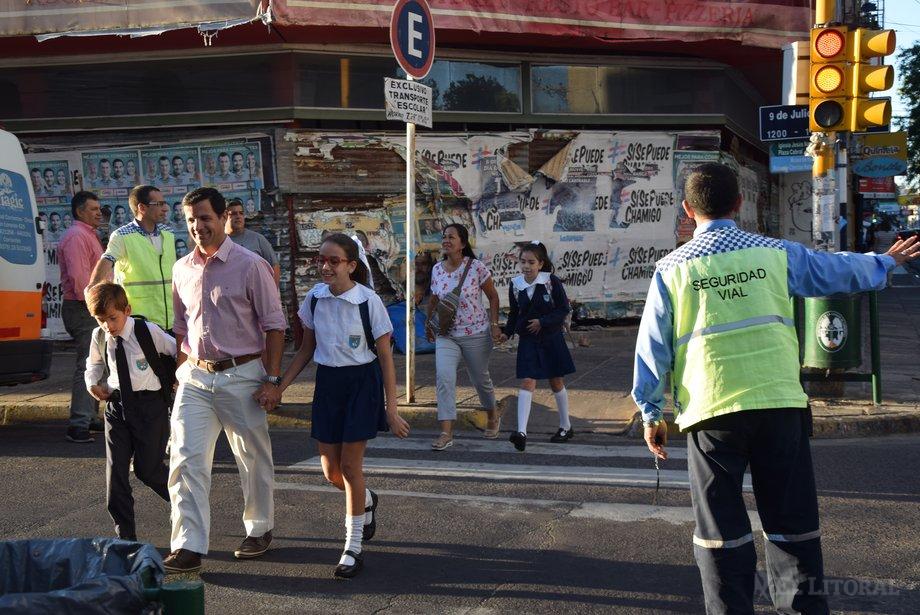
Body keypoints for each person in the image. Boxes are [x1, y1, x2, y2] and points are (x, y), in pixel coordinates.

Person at [632, 163, 920, 615]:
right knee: (792, 526)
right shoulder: (773, 253)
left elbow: (652, 349)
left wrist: (650, 413)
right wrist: (887, 262)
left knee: (720, 532)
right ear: (740, 204)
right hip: (779, 406)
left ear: (688, 211)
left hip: (712, 412)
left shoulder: (670, 271)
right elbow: (834, 272)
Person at [262, 234, 409, 578]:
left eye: (334, 261)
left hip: (361, 384)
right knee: (332, 473)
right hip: (328, 384)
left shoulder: (367, 301)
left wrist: (392, 407)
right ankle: (367, 499)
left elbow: (386, 356)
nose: (325, 267)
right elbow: (306, 349)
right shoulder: (314, 299)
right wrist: (279, 386)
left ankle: (352, 547)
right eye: (321, 260)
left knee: (351, 466)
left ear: (351, 266)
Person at [164, 187, 286, 574]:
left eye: (205, 218)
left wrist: (272, 379)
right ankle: (188, 545)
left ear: (221, 219)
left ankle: (259, 529)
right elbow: (181, 327)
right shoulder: (181, 268)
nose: (198, 226)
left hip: (243, 375)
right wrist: (178, 375)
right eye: (190, 220)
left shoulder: (251, 265)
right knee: (185, 461)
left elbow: (275, 325)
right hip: (195, 377)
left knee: (251, 458)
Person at [84, 282, 174, 541]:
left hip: (150, 407)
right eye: (102, 321)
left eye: (113, 318)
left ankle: (186, 506)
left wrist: (179, 378)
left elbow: (177, 349)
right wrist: (92, 383)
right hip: (117, 406)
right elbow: (94, 363)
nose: (108, 326)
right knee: (116, 477)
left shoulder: (147, 331)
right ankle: (125, 538)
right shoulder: (99, 336)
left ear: (127, 310)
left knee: (149, 470)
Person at [424, 223, 503, 451]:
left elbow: (493, 297)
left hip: (476, 333)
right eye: (444, 237)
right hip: (447, 335)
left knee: (480, 380)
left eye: (451, 237)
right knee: (444, 378)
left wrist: (495, 325)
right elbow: (434, 299)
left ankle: (492, 414)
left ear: (462, 243)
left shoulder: (476, 267)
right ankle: (446, 432)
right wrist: (430, 324)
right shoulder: (437, 269)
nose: (446, 240)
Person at [499, 241, 575, 451]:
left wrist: (543, 322)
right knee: (527, 380)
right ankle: (521, 432)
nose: (526, 266)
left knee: (556, 381)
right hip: (529, 340)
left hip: (551, 338)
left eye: (531, 262)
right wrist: (507, 332)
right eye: (523, 261)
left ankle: (565, 426)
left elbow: (563, 309)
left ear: (540, 264)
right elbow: (515, 313)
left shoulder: (551, 282)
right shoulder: (516, 284)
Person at [86, 185, 176, 332]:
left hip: (170, 320)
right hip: (139, 321)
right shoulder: (122, 235)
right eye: (159, 204)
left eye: (164, 203)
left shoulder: (169, 233)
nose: (165, 208)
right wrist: (92, 288)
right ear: (142, 208)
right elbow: (107, 259)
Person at [59, 191, 105, 443]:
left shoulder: (87, 234)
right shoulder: (77, 236)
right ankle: (78, 425)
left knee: (96, 364)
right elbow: (79, 280)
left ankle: (89, 417)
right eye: (93, 209)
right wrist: (96, 307)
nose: (99, 212)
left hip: (89, 306)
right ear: (79, 211)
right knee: (86, 365)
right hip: (82, 307)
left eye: (99, 208)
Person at [225, 198, 280, 285]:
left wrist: (272, 293)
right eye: (233, 214)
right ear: (224, 216)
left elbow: (274, 266)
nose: (238, 216)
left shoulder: (258, 239)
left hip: (256, 293)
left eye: (241, 213)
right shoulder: (220, 242)